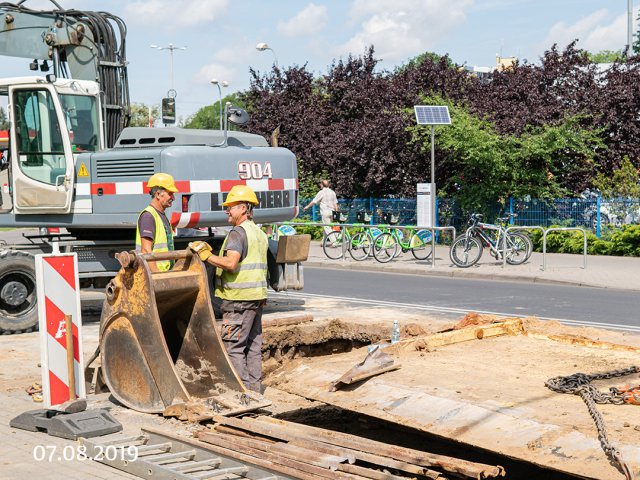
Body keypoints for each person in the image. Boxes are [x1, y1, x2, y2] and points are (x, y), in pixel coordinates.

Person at [189, 185, 268, 393]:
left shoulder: (237, 233)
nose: (227, 211)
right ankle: (254, 390)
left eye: (230, 207)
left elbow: (231, 263)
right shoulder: (258, 233)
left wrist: (207, 256)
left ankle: (241, 393)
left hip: (238, 300)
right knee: (253, 347)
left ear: (243, 208)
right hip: (256, 298)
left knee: (234, 347)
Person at [135, 172, 178, 272]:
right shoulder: (148, 216)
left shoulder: (160, 215)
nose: (173, 198)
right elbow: (146, 250)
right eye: (170, 193)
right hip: (153, 275)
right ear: (158, 194)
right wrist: (157, 276)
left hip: (162, 274)